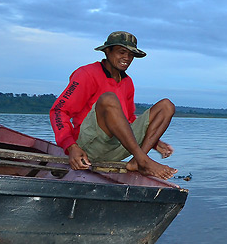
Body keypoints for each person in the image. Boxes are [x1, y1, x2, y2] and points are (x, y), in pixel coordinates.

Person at [51, 31, 177, 180]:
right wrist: (71, 146)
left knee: (167, 106)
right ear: (107, 51)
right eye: (122, 52)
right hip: (88, 146)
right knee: (109, 99)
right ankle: (144, 160)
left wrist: (154, 143)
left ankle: (137, 161)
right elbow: (58, 111)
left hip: (118, 147)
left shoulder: (127, 82)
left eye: (131, 55)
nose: (127, 58)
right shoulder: (86, 73)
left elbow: (129, 119)